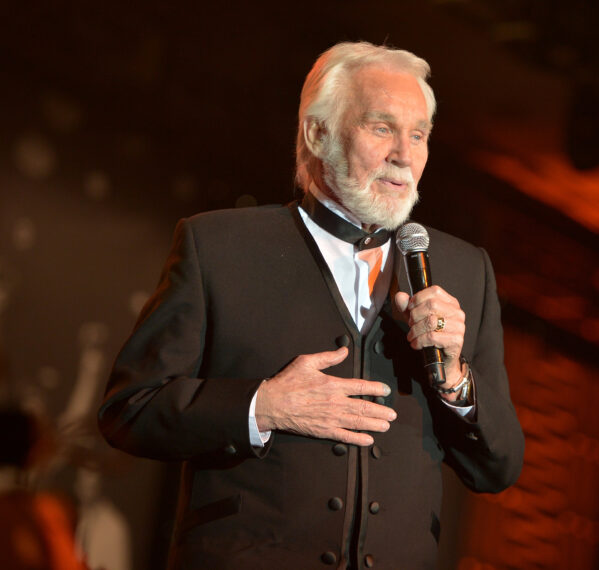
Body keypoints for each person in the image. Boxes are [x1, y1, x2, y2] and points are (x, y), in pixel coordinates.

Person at [98, 41, 524, 569]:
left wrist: (456, 378)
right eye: (382, 128)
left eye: (418, 135)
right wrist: (263, 406)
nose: (404, 154)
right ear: (317, 133)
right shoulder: (220, 247)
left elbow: (498, 468)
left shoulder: (463, 271)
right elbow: (129, 410)